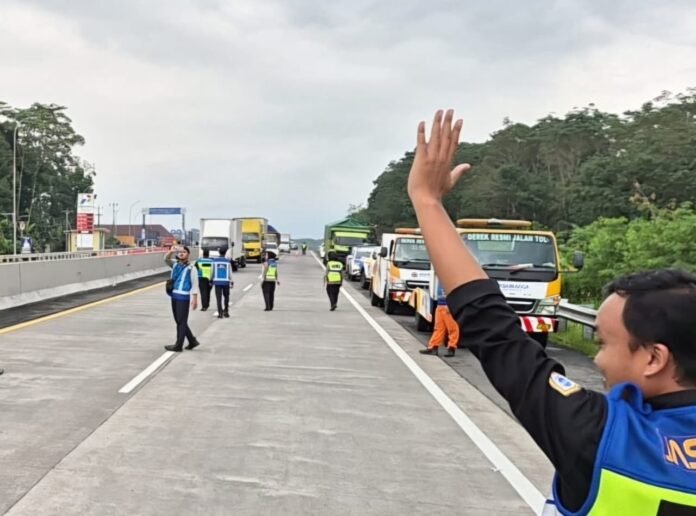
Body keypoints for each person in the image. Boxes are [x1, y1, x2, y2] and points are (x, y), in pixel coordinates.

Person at [406, 109, 696, 514]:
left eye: (604, 343)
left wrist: (427, 200)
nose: (596, 360)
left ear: (654, 358)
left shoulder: (605, 438)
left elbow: (494, 329)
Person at [164, 245, 200, 352]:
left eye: (184, 252)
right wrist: (171, 251)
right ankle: (192, 341)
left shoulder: (192, 268)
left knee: (181, 321)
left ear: (188, 254)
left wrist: (195, 299)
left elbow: (195, 284)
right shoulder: (175, 264)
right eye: (180, 252)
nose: (181, 253)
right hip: (174, 295)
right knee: (179, 321)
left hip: (183, 297)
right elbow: (166, 259)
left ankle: (178, 345)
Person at [419, 279, 459, 357]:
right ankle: (433, 347)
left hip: (447, 306)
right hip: (440, 305)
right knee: (439, 328)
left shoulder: (450, 277)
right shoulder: (442, 277)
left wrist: (451, 305)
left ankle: (451, 348)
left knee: (452, 328)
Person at [212, 247, 233, 319]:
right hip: (226, 282)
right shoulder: (227, 261)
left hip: (217, 282)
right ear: (225, 252)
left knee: (218, 298)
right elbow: (230, 273)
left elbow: (212, 271)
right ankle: (226, 311)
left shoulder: (214, 261)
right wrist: (231, 281)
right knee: (226, 296)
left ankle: (220, 313)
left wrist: (211, 279)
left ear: (219, 252)